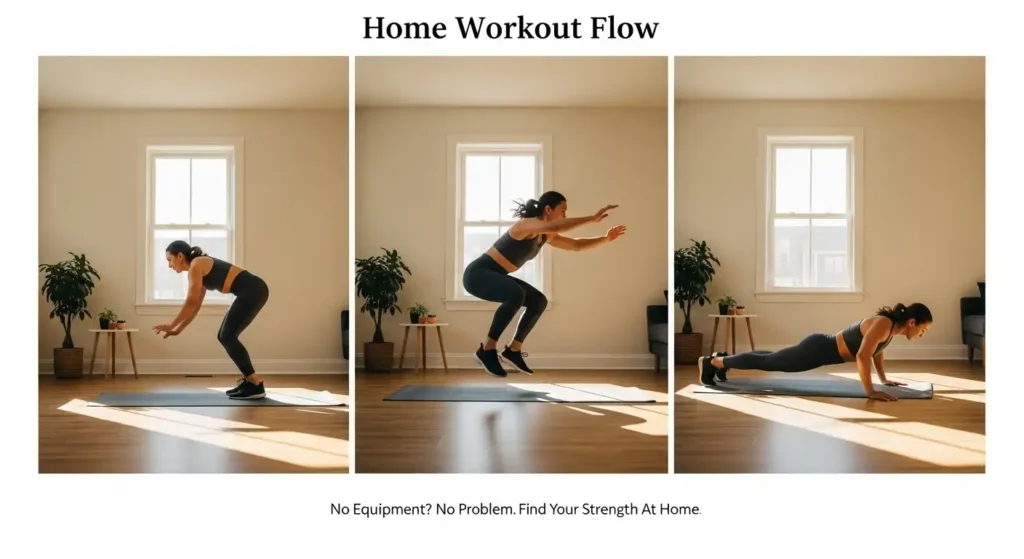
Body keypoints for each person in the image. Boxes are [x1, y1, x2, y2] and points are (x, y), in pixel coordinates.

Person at [462, 191, 627, 377]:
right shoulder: (526, 224)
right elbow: (557, 225)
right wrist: (592, 218)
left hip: (496, 275)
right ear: (548, 209)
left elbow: (576, 245)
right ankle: (487, 349)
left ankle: (513, 351)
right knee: (516, 294)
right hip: (477, 275)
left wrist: (605, 239)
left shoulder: (545, 236)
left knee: (538, 301)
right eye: (563, 210)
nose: (565, 216)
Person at [698, 303, 932, 401]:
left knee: (770, 357)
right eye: (923, 329)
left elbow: (875, 352)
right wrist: (870, 391)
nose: (923, 334)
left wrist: (883, 380)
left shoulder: (890, 329)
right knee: (770, 362)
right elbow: (862, 355)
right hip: (817, 349)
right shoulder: (883, 324)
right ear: (912, 322)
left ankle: (721, 360)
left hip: (819, 350)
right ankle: (713, 363)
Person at [154, 241, 270, 400]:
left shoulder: (197, 265)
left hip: (253, 291)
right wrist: (178, 329)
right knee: (225, 336)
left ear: (180, 256)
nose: (169, 265)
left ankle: (255, 384)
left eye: (169, 260)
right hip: (253, 290)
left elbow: (191, 302)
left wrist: (172, 324)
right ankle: (251, 383)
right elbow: (196, 306)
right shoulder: (198, 268)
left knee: (227, 336)